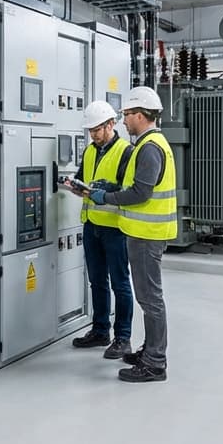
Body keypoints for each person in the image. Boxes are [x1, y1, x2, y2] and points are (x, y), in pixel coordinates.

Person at [83, 86, 177, 384]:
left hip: (148, 234)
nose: (124, 121)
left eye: (126, 115)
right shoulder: (148, 143)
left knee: (150, 300)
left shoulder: (150, 146)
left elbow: (140, 192)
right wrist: (108, 189)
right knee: (147, 298)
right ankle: (149, 351)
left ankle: (154, 363)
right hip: (142, 232)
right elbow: (134, 186)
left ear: (140, 115)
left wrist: (105, 198)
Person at [62, 100, 133, 359]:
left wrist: (105, 190)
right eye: (90, 130)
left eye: (97, 129)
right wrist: (74, 185)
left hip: (115, 229)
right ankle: (101, 330)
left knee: (120, 283)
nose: (93, 134)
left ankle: (123, 338)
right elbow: (84, 178)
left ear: (111, 124)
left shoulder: (126, 151)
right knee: (96, 282)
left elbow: (130, 191)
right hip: (92, 226)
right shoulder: (90, 151)